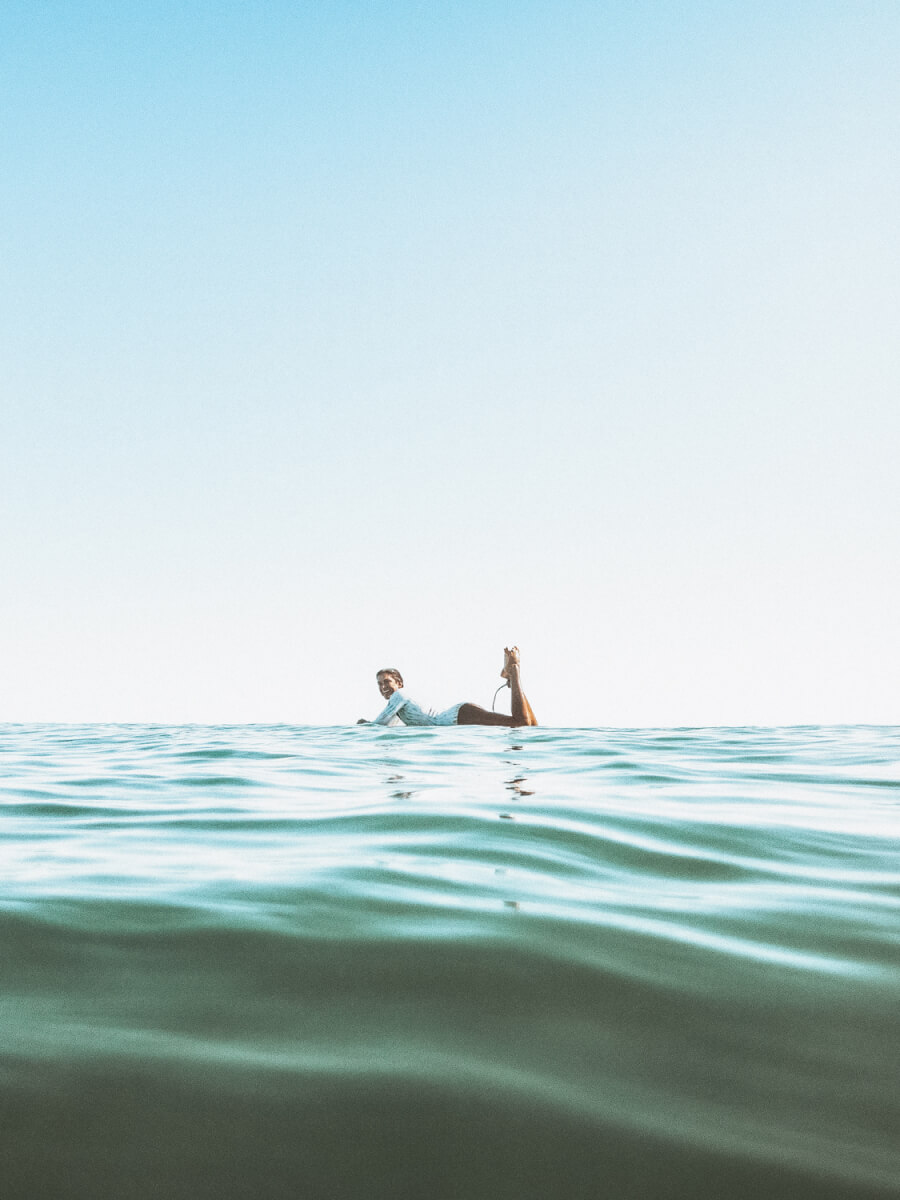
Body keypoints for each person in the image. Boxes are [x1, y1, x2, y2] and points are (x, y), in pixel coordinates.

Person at [357, 647, 538, 727]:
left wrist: (362, 724)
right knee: (530, 727)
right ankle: (512, 676)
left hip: (457, 717)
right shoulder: (400, 708)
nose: (383, 687)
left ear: (399, 683)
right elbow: (391, 728)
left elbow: (378, 725)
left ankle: (513, 672)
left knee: (519, 724)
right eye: (379, 684)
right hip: (459, 716)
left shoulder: (399, 696)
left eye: (387, 682)